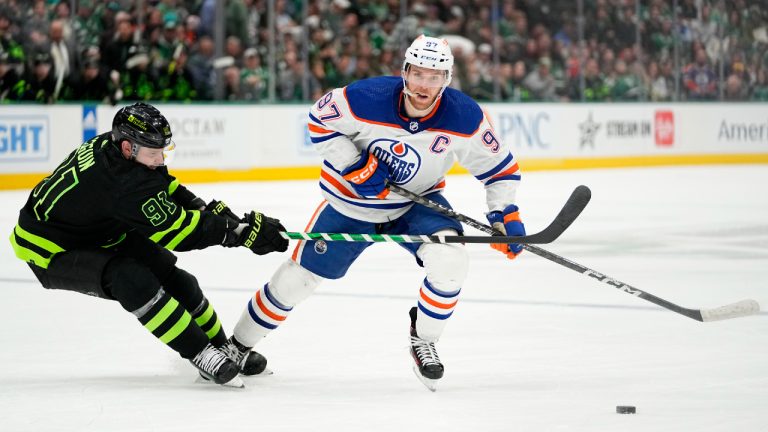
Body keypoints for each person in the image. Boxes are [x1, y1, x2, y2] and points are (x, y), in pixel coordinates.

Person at [228, 35, 525, 390]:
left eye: (434, 77)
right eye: (417, 74)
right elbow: (319, 120)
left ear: (446, 79)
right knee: (297, 280)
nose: (423, 85)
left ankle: (424, 340)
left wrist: (503, 212)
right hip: (350, 204)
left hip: (416, 202)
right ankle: (236, 347)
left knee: (451, 262)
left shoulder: (465, 115)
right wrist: (355, 165)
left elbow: (500, 170)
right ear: (404, 71)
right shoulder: (366, 97)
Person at [9, 102, 288, 387]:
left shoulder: (117, 147)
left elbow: (161, 184)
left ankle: (222, 348)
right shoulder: (120, 181)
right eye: (154, 152)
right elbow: (177, 232)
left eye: (162, 151)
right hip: (51, 248)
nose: (160, 158)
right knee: (132, 280)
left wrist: (202, 207)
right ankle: (201, 354)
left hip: (97, 229)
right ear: (129, 148)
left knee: (180, 282)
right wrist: (237, 233)